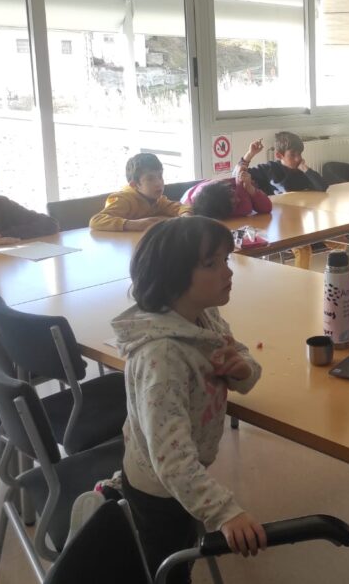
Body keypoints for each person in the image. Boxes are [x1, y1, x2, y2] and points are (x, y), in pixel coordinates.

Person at [113, 216, 265, 583]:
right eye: (211, 264)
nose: (228, 271)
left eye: (226, 259)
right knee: (168, 570)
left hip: (180, 475)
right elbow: (172, 461)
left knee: (182, 548)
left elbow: (238, 351)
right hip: (159, 491)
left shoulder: (203, 316)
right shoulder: (163, 357)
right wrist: (225, 512)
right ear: (172, 278)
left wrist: (241, 369)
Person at [236, 132, 328, 269]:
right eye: (293, 155)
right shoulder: (270, 169)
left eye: (300, 154)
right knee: (304, 250)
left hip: (303, 223)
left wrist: (305, 168)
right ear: (279, 155)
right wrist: (250, 154)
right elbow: (238, 175)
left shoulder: (302, 171)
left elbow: (322, 187)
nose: (298, 158)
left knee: (340, 241)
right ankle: (300, 281)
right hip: (281, 226)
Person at [89, 153, 191, 232]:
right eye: (150, 179)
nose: (159, 183)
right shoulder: (123, 199)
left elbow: (181, 207)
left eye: (160, 176)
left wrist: (186, 216)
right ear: (134, 185)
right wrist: (133, 224)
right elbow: (96, 220)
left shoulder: (159, 200)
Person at [181, 176, 272, 219]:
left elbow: (267, 208)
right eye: (234, 204)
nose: (239, 199)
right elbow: (246, 209)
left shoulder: (227, 185)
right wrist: (241, 188)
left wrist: (250, 188)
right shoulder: (192, 211)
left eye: (234, 194)